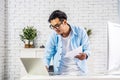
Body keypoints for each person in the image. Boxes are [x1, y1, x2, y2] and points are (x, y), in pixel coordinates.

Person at [44, 10, 91, 76]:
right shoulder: (53, 36)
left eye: (57, 26)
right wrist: (45, 66)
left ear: (65, 22)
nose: (55, 29)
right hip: (60, 73)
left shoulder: (80, 31)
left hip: (79, 72)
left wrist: (85, 55)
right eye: (52, 27)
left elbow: (87, 49)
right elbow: (47, 55)